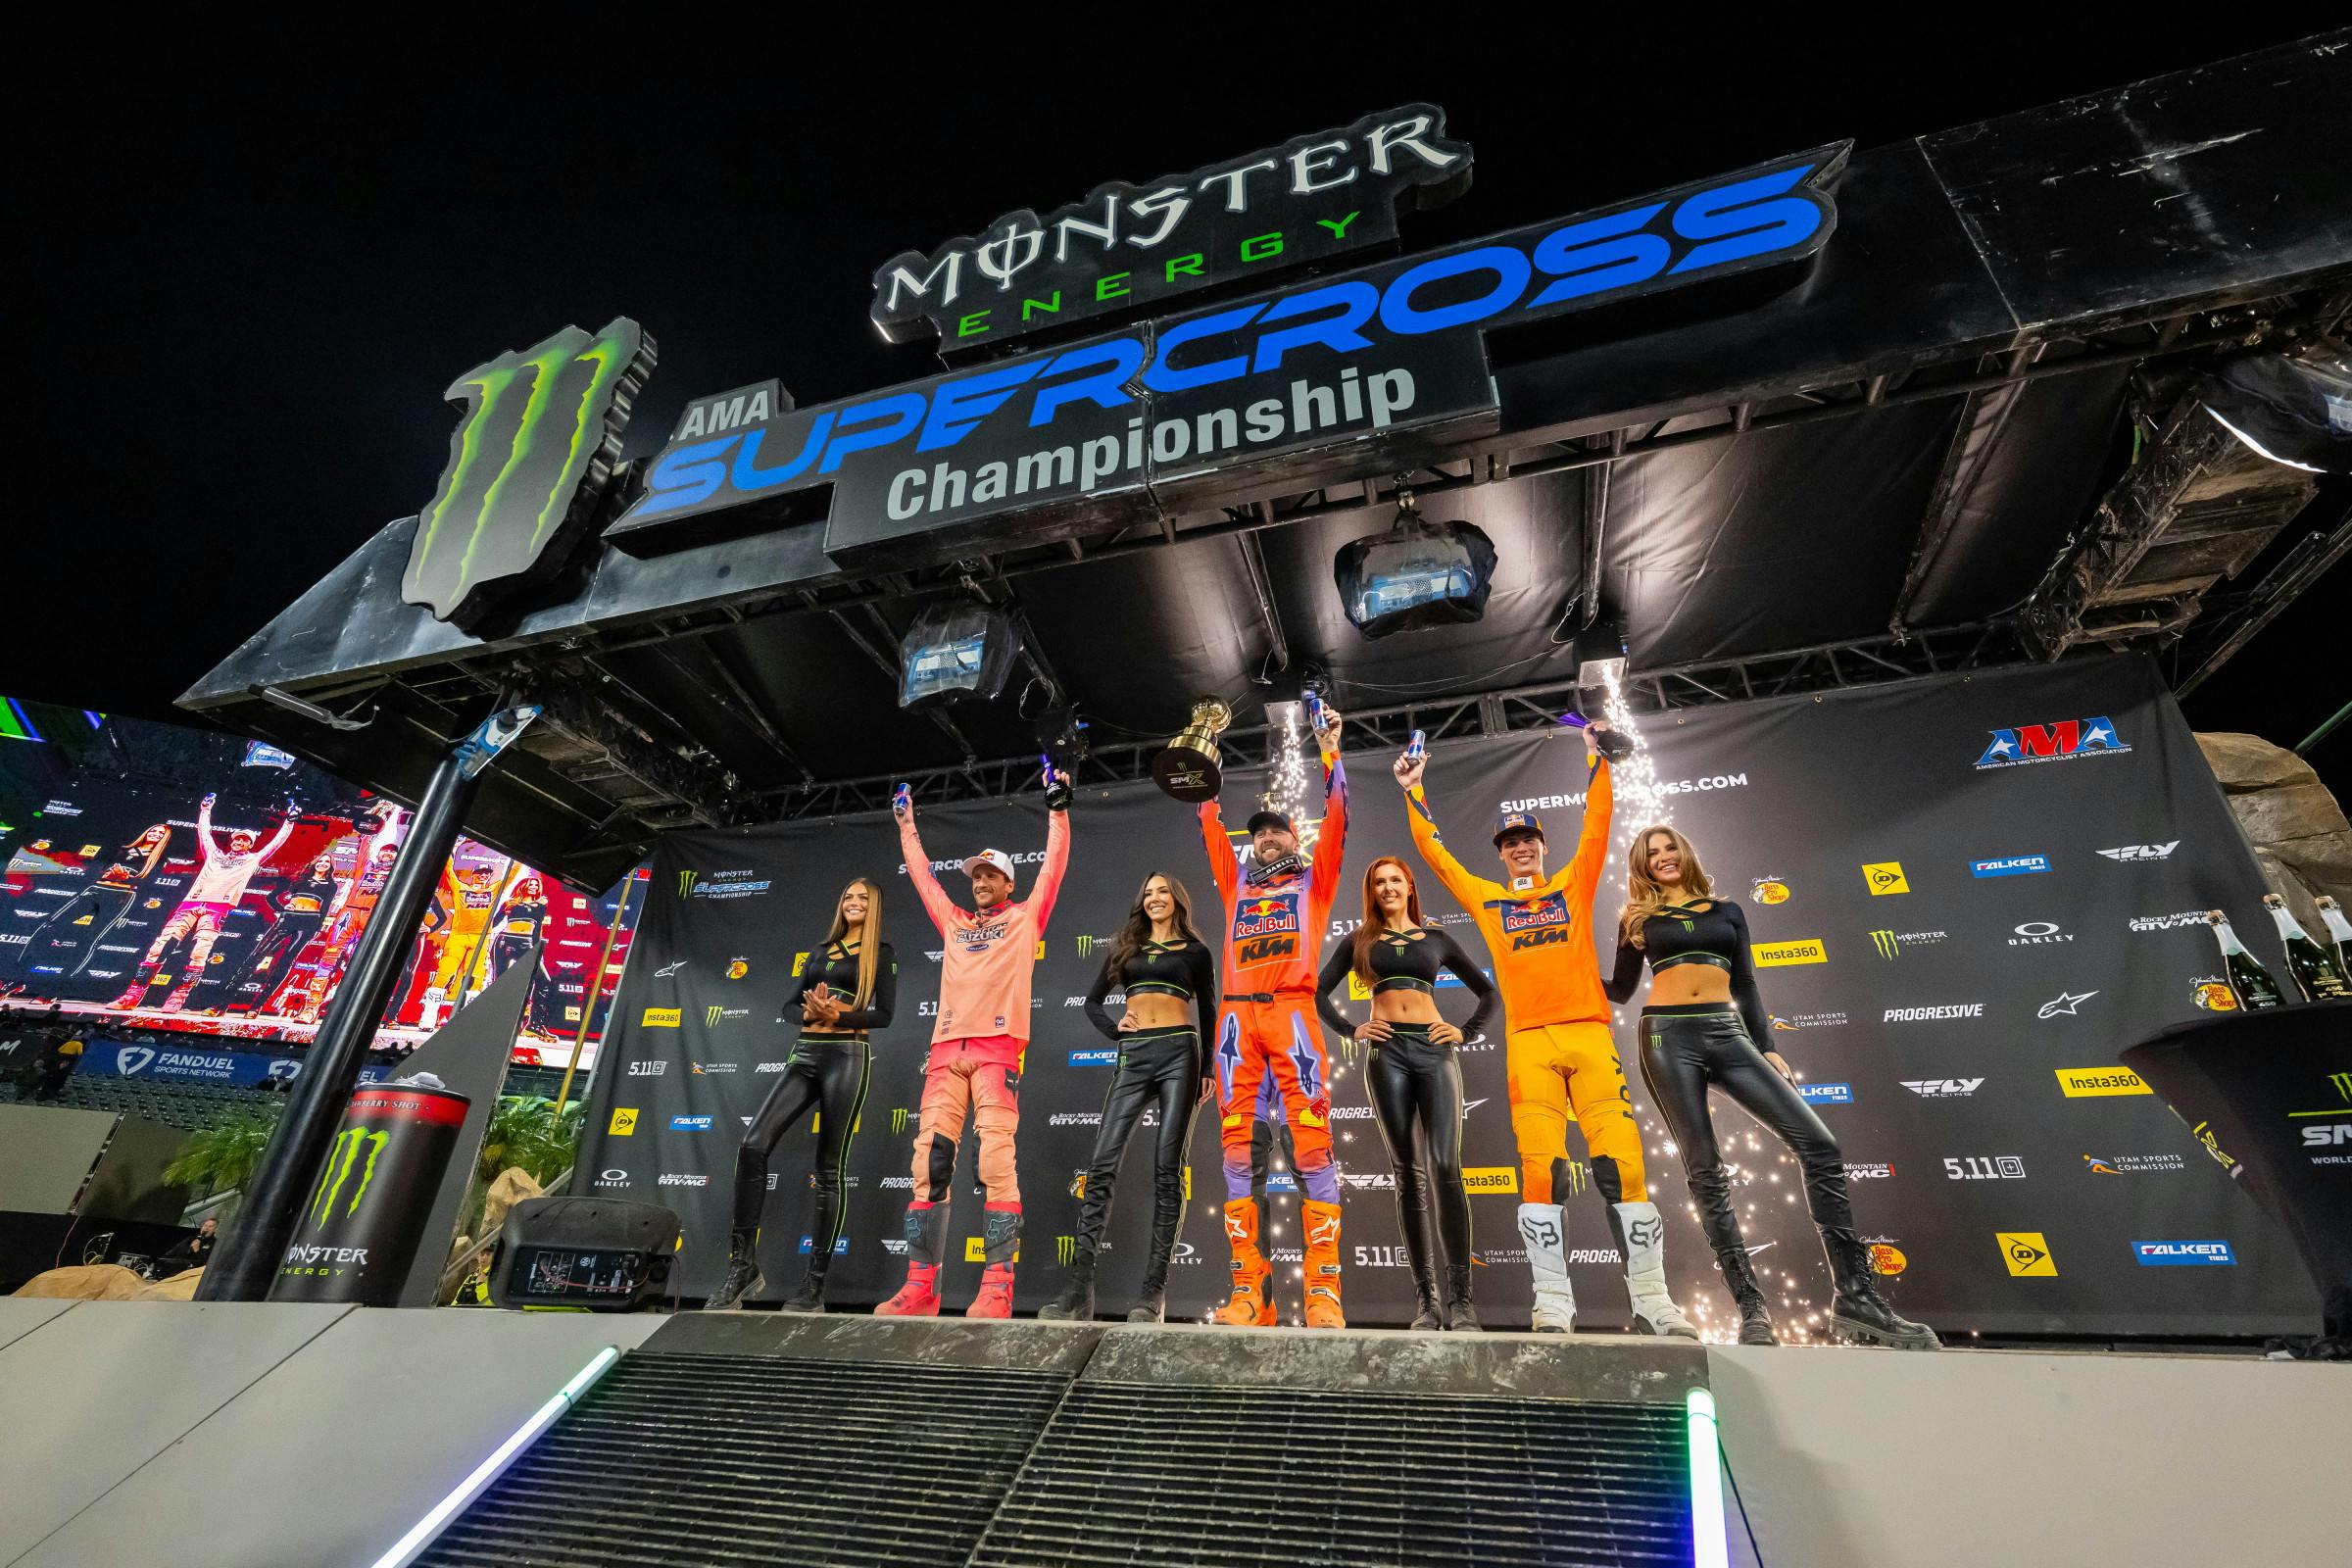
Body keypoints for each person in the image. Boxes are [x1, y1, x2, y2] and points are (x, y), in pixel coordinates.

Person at [1395, 724, 1694, 1337]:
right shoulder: (1487, 900)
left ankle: (1653, 1299)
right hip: (1529, 1044)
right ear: (1501, 855)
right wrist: (1413, 789)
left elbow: (1597, 824)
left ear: (1542, 845)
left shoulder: (1572, 883)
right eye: (1511, 843)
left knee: (1623, 1166)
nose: (1521, 849)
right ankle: (1552, 1301)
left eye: (1528, 839)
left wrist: (1595, 760)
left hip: (1588, 1036)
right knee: (1541, 1170)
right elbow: (1436, 857)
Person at [1607, 825, 1940, 1349]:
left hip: (1728, 1033)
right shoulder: (1638, 918)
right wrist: (1555, 970)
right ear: (1642, 866)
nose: (1664, 857)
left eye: (1670, 847)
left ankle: (1855, 1298)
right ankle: (1752, 1309)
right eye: (1652, 854)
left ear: (1686, 853)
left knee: (1820, 1145)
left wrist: (1766, 1046)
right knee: (1706, 1170)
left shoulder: (1728, 911)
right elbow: (1621, 990)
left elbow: (1745, 981)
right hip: (1667, 1039)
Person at [876, 762, 1071, 1318]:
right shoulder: (955, 923)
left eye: (991, 876)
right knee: (929, 1164)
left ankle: (998, 1288)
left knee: (995, 1162)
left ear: (1009, 883)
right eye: (976, 877)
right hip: (945, 1054)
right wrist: (907, 826)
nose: (981, 883)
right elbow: (923, 878)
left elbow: (1053, 865)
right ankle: (921, 1287)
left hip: (997, 1052)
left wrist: (1058, 811)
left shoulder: (1026, 918)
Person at [1198, 700, 1350, 1328]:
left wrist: (1331, 752)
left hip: (1292, 1016)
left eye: (1276, 831)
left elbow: (1338, 820)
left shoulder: (1314, 881)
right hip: (1236, 1024)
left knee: (1312, 1151)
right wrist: (1201, 765)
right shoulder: (1236, 884)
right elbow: (1208, 823)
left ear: (1294, 838)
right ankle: (1250, 1294)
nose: (1265, 838)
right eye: (1257, 833)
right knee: (1237, 1155)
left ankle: (1323, 1294)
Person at [1315, 857, 1497, 1331]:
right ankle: (1427, 1301)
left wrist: (1466, 1032)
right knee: (1408, 1175)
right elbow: (1317, 993)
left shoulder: (1436, 938)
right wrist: (1352, 1029)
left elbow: (1489, 993)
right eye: (1379, 882)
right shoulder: (1360, 940)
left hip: (1435, 1052)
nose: (1388, 887)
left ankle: (1462, 1301)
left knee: (1445, 1167)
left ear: (1410, 886)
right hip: (1387, 1054)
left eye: (1396, 879)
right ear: (1371, 891)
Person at [708, 877, 898, 1312]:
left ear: (874, 907)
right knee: (752, 1146)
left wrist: (840, 1014)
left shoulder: (881, 954)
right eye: (848, 896)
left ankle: (814, 1285)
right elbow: (789, 1006)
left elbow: (885, 1015)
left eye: (863, 898)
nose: (853, 902)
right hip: (806, 1054)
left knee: (829, 1169)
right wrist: (809, 1011)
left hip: (847, 1056)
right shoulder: (820, 951)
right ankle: (742, 1267)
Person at [1040, 872, 1216, 1323]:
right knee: (1101, 1166)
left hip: (1181, 1054)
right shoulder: (1126, 947)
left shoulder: (1196, 952)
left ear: (1177, 899)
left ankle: (1152, 1294)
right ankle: (1078, 1291)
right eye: (1148, 893)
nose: (1155, 898)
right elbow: (1092, 1002)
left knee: (1167, 1171)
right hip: (1134, 1056)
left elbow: (1210, 1011)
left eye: (1163, 891)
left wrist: (1208, 1070)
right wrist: (1114, 1030)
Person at [112, 794, 296, 1011]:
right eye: (237, 839)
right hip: (190, 905)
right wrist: (205, 809)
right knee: (160, 946)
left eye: (245, 840)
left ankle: (178, 997)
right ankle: (132, 996)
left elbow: (276, 843)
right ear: (232, 841)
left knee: (200, 952)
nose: (239, 842)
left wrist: (289, 822)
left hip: (216, 910)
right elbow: (204, 833)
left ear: (250, 845)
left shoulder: (252, 859)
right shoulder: (214, 855)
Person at [216, 854, 338, 1016]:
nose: (322, 863)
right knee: (255, 957)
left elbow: (325, 908)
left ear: (331, 866)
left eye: (327, 862)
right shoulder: (299, 880)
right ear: (314, 863)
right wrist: (281, 909)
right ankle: (221, 1005)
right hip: (286, 920)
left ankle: (256, 1007)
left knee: (284, 963)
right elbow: (271, 897)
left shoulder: (331, 885)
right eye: (320, 861)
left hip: (308, 924)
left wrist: (317, 929)